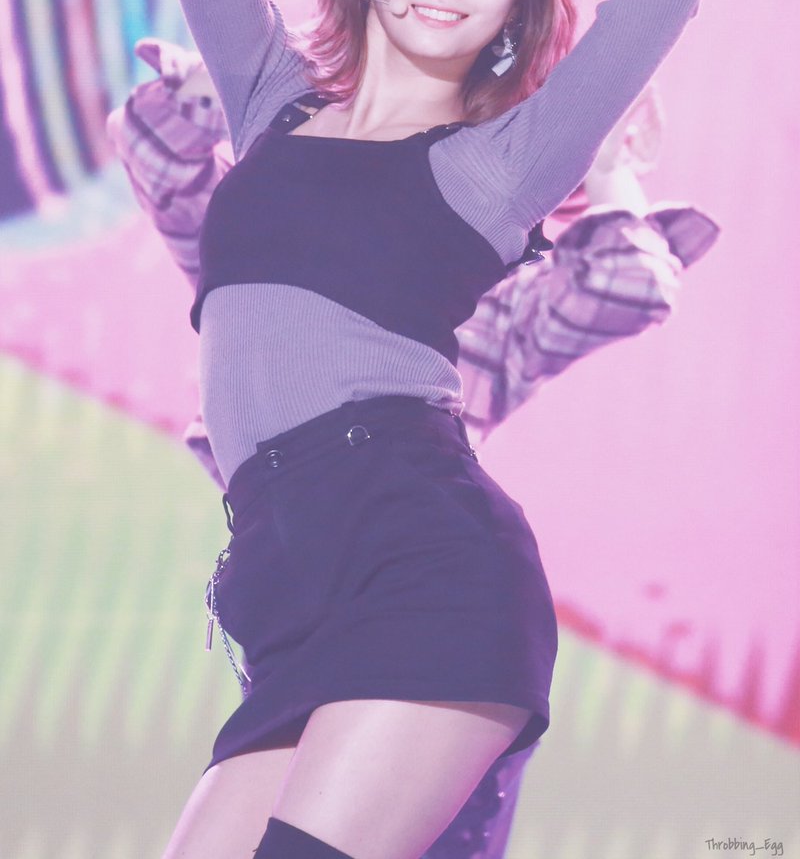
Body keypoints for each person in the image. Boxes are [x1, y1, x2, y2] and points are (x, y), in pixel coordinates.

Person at [155, 0, 705, 859]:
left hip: (421, 560)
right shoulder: (271, 106)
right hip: (281, 579)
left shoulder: (496, 165)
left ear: (517, 2)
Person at [107, 43, 718, 859]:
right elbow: (151, 145)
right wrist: (247, 76)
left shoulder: (487, 288)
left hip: (424, 587)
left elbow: (627, 284)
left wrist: (606, 163)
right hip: (293, 605)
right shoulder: (262, 221)